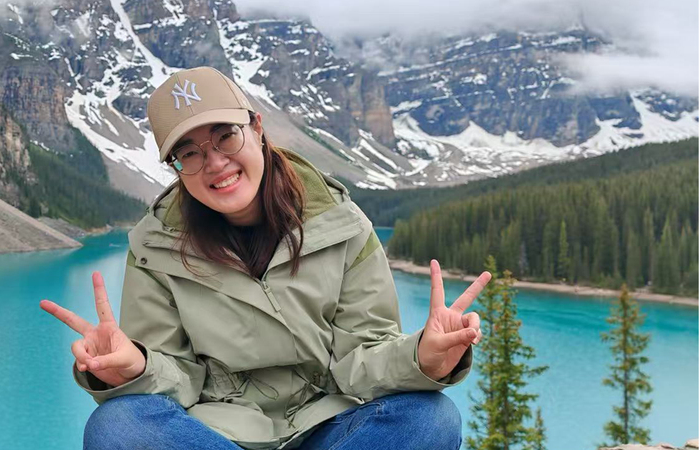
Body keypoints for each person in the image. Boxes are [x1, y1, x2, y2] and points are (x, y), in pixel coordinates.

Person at [40, 66, 490, 450]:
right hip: (214, 434)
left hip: (329, 424)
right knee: (117, 426)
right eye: (189, 153)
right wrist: (136, 367)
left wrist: (421, 358)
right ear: (175, 167)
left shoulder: (344, 224)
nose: (214, 163)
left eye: (225, 136)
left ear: (256, 127)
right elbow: (177, 378)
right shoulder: (154, 245)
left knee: (431, 419)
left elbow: (362, 360)